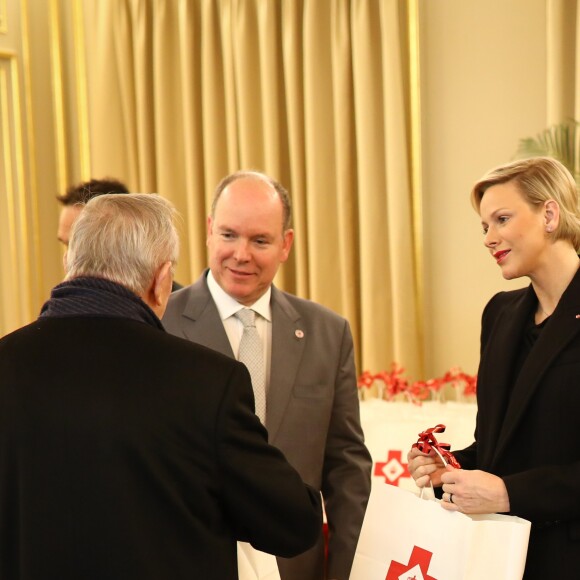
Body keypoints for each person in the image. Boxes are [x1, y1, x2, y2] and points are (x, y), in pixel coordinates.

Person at [0, 193, 322, 580]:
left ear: (70, 264)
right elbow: (293, 523)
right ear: (162, 279)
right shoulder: (206, 382)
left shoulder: (7, 363)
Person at [162, 170, 372, 580]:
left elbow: (346, 467)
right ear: (208, 232)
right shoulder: (160, 324)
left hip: (296, 566)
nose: (241, 254)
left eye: (260, 241)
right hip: (193, 561)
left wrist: (350, 571)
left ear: (285, 244)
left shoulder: (327, 333)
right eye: (228, 235)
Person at [407, 156, 580, 579]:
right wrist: (451, 467)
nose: (489, 238)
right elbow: (498, 445)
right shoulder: (500, 315)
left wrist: (507, 492)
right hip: (501, 556)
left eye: (501, 219)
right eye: (484, 226)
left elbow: (511, 481)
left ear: (550, 214)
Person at [56, 177, 182, 290]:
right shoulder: (64, 308)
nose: (69, 259)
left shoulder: (179, 309)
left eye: (81, 245)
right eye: (68, 246)